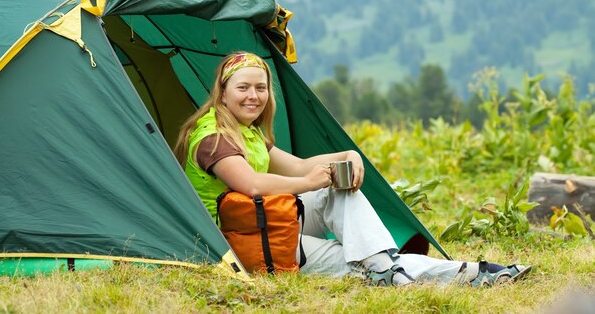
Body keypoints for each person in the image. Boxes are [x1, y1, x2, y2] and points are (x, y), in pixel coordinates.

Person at [175, 51, 531, 286]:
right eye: (243, 88)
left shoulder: (248, 132)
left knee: (348, 210)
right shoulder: (213, 137)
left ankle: (392, 267)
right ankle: (471, 274)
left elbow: (298, 164)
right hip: (243, 240)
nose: (254, 96)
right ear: (222, 94)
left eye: (261, 88)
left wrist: (345, 155)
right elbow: (250, 184)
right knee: (355, 263)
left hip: (271, 220)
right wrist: (307, 182)